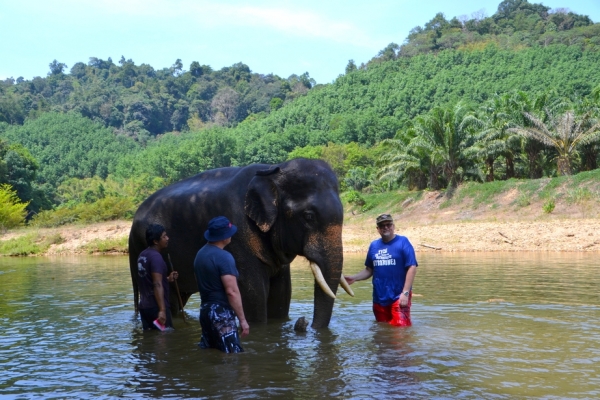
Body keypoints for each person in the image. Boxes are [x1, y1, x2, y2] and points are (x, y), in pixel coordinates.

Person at [345, 213, 418, 326]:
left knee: (401, 333)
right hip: (379, 298)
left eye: (388, 224)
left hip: (398, 297)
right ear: (377, 229)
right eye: (382, 226)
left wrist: (406, 293)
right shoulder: (374, 246)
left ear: (393, 226)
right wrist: (354, 278)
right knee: (382, 332)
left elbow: (412, 267)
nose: (385, 227)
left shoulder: (403, 242)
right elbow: (369, 270)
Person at [194, 216, 249, 353]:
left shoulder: (200, 254)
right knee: (233, 355)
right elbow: (231, 291)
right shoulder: (224, 257)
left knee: (210, 352)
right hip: (220, 313)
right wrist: (242, 320)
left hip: (205, 311)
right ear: (224, 236)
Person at [137, 223, 179, 330]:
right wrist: (162, 310)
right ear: (156, 241)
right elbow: (156, 284)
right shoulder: (156, 258)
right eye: (164, 236)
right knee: (166, 340)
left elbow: (149, 279)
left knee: (150, 339)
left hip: (144, 307)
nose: (167, 238)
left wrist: (168, 279)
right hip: (156, 307)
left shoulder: (143, 255)